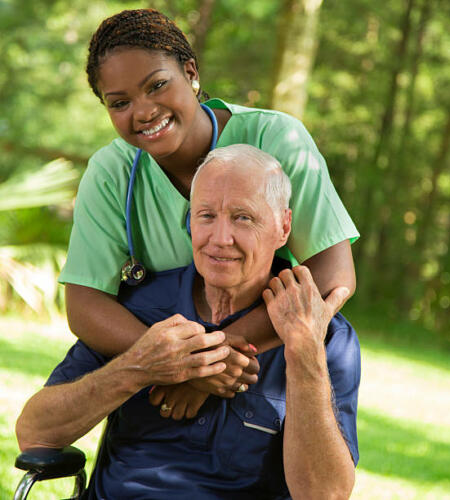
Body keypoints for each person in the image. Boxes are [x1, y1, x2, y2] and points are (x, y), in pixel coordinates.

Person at [16, 146, 360, 499]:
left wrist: (304, 353)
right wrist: (139, 367)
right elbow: (35, 433)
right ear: (190, 223)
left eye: (243, 218)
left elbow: (325, 493)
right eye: (207, 216)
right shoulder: (139, 306)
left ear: (283, 227)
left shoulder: (324, 333)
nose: (220, 238)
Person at [60, 9, 359, 414]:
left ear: (191, 72)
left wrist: (216, 356)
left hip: (263, 370)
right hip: (161, 388)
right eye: (120, 103)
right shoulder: (111, 172)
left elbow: (333, 277)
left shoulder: (277, 139)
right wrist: (179, 364)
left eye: (158, 85)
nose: (144, 111)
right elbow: (84, 305)